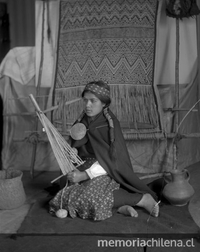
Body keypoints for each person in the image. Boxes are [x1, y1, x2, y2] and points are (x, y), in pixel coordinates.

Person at [49, 81, 160, 221]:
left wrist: (85, 175)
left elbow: (113, 161)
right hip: (82, 166)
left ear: (104, 103)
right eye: (85, 100)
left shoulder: (110, 126)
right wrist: (73, 151)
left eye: (93, 101)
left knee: (90, 197)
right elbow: (75, 144)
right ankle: (119, 207)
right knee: (63, 197)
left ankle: (141, 199)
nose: (87, 105)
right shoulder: (82, 120)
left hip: (104, 170)